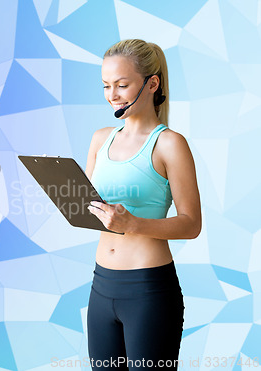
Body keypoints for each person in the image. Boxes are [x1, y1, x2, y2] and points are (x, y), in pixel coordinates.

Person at [84, 39, 201, 370]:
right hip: (101, 287)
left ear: (152, 84)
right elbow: (89, 208)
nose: (112, 94)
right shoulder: (100, 138)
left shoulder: (169, 144)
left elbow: (192, 223)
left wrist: (133, 224)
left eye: (122, 85)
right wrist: (59, 186)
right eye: (106, 86)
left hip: (148, 291)